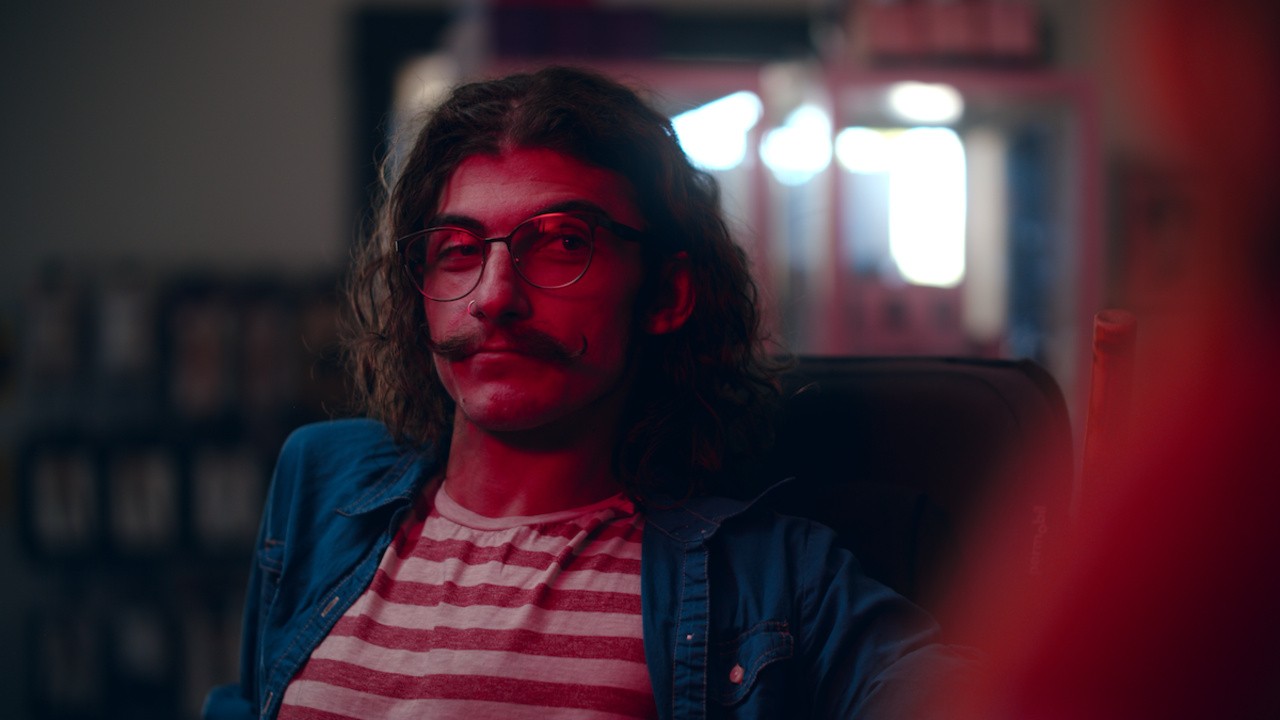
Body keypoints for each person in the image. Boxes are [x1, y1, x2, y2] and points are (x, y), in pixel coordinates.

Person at [203, 66, 971, 720]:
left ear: (666, 295)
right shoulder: (324, 486)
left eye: (563, 242)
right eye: (458, 250)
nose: (493, 297)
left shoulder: (769, 578)